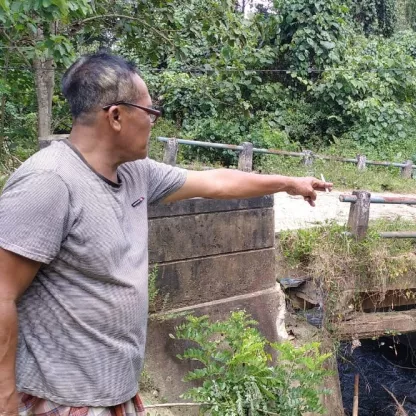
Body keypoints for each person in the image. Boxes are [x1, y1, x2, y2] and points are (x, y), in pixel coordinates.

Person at [0, 52, 332, 415]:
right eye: (150, 113)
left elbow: (217, 181)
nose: (153, 123)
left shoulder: (135, 173)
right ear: (115, 116)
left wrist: (289, 183)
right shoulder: (49, 182)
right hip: (61, 401)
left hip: (115, 394)